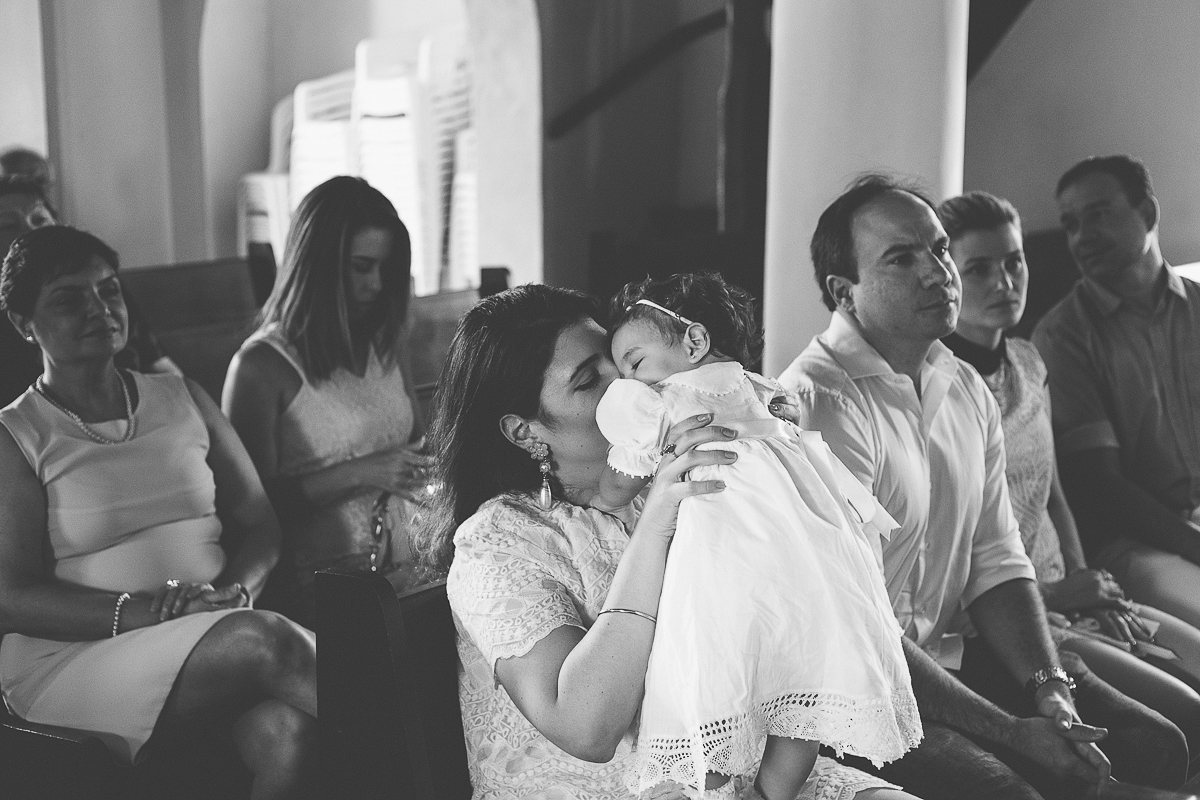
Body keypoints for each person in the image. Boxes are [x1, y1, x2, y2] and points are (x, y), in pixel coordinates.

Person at [413, 284, 921, 800]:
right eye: (590, 380)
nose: (628, 385)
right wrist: (654, 527)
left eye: (620, 360)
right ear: (524, 432)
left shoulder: (675, 471)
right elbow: (586, 728)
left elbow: (777, 607)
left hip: (753, 774)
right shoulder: (496, 542)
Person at [777, 174, 1188, 800]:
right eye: (902, 258)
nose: (937, 272)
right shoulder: (819, 401)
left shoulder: (964, 386)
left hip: (950, 653)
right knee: (1014, 790)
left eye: (940, 249)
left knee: (1158, 743)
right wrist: (1013, 732)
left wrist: (1047, 685)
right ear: (845, 293)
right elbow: (855, 627)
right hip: (847, 691)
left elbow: (997, 561)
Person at [0, 226, 317, 799]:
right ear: (24, 324)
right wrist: (143, 613)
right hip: (77, 661)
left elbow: (262, 524)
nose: (99, 309)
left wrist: (235, 592)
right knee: (269, 641)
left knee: (287, 736)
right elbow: (12, 596)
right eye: (69, 299)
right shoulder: (16, 435)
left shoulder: (181, 396)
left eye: (109, 290)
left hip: (208, 629)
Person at [593, 273, 921, 799]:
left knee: (722, 671)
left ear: (694, 342)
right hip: (798, 556)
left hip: (729, 556)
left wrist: (645, 460)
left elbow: (612, 489)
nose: (628, 381)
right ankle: (774, 791)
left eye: (635, 362)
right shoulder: (758, 389)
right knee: (804, 672)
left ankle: (735, 787)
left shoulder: (666, 402)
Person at [939, 188, 1200, 748]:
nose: (1004, 281)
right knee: (1187, 715)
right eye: (978, 268)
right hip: (1013, 616)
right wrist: (1058, 597)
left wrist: (1093, 586)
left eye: (1014, 261)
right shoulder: (942, 390)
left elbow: (1052, 490)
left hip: (1072, 587)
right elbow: (950, 555)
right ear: (946, 277)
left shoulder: (1030, 361)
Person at [223, 175, 431, 625]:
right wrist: (358, 473)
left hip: (405, 559)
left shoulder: (384, 344)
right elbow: (248, 511)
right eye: (361, 267)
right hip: (321, 581)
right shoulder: (261, 366)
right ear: (319, 265)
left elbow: (416, 444)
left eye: (384, 268)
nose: (376, 284)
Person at [1032, 156, 1200, 635]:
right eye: (1071, 224)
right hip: (1139, 542)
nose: (1082, 237)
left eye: (1099, 214)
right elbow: (1101, 486)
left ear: (1147, 214)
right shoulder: (1063, 336)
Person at [0, 174, 178, 406]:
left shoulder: (101, 287)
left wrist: (175, 409)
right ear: (23, 322)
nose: (30, 231)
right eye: (7, 226)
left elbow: (161, 367)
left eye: (40, 220)